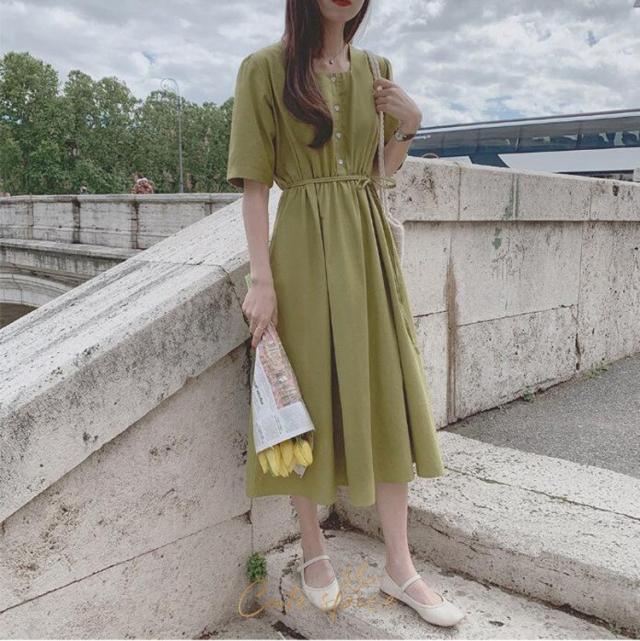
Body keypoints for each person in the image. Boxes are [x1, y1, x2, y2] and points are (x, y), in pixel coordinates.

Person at [226, 0, 464, 627]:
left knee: (386, 390)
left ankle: (400, 565)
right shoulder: (264, 69)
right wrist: (261, 279)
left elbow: (377, 174)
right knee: (305, 397)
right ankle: (313, 548)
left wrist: (409, 125)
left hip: (367, 252)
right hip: (301, 254)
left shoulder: (376, 69)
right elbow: (255, 187)